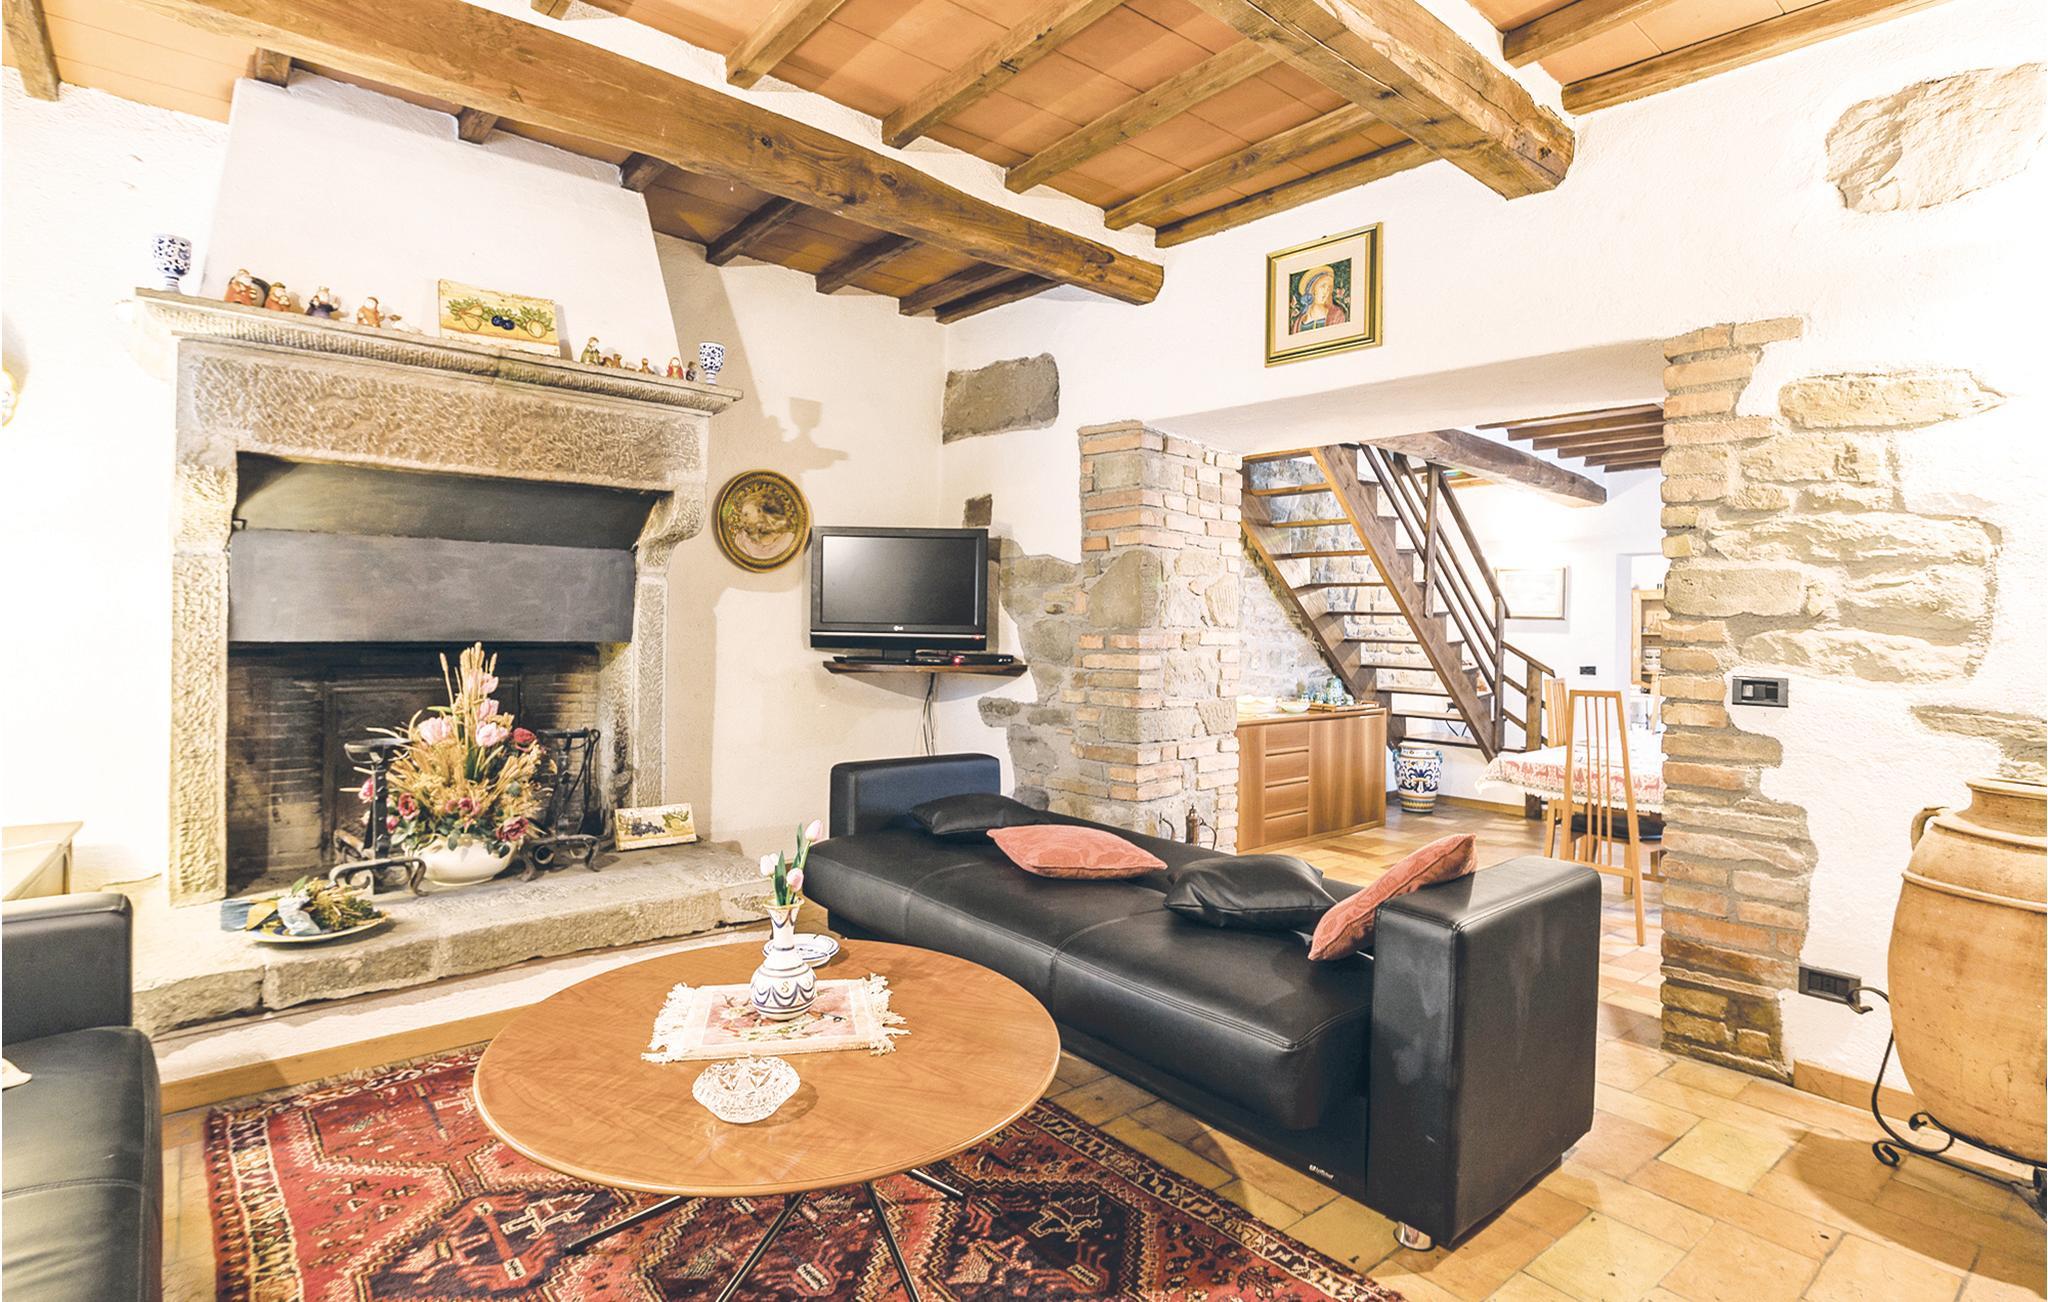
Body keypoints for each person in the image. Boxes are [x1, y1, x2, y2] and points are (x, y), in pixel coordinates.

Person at [1294, 266, 1347, 332]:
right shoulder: (1299, 321)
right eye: (1322, 286)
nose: (1326, 291)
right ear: (1313, 289)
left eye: (1329, 287)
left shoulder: (1336, 315)